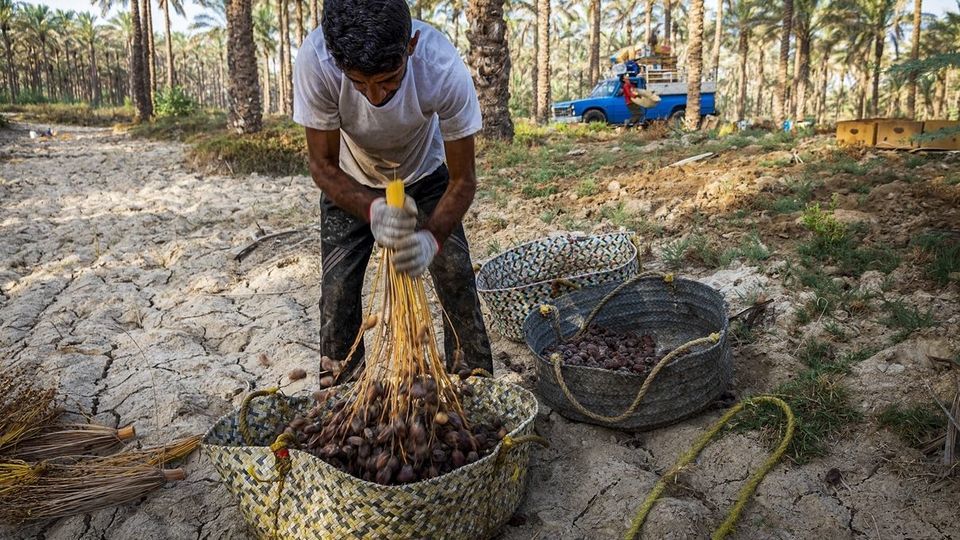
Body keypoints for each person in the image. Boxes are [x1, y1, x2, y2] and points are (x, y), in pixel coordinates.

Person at [292, 0, 494, 380]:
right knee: (338, 294)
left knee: (455, 275)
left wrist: (431, 239)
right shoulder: (316, 61)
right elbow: (322, 166)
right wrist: (372, 209)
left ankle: (474, 388)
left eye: (388, 80)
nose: (375, 96)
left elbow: (463, 180)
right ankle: (344, 399)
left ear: (411, 45)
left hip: (426, 173)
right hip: (349, 181)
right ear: (336, 59)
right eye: (357, 82)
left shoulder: (441, 68)